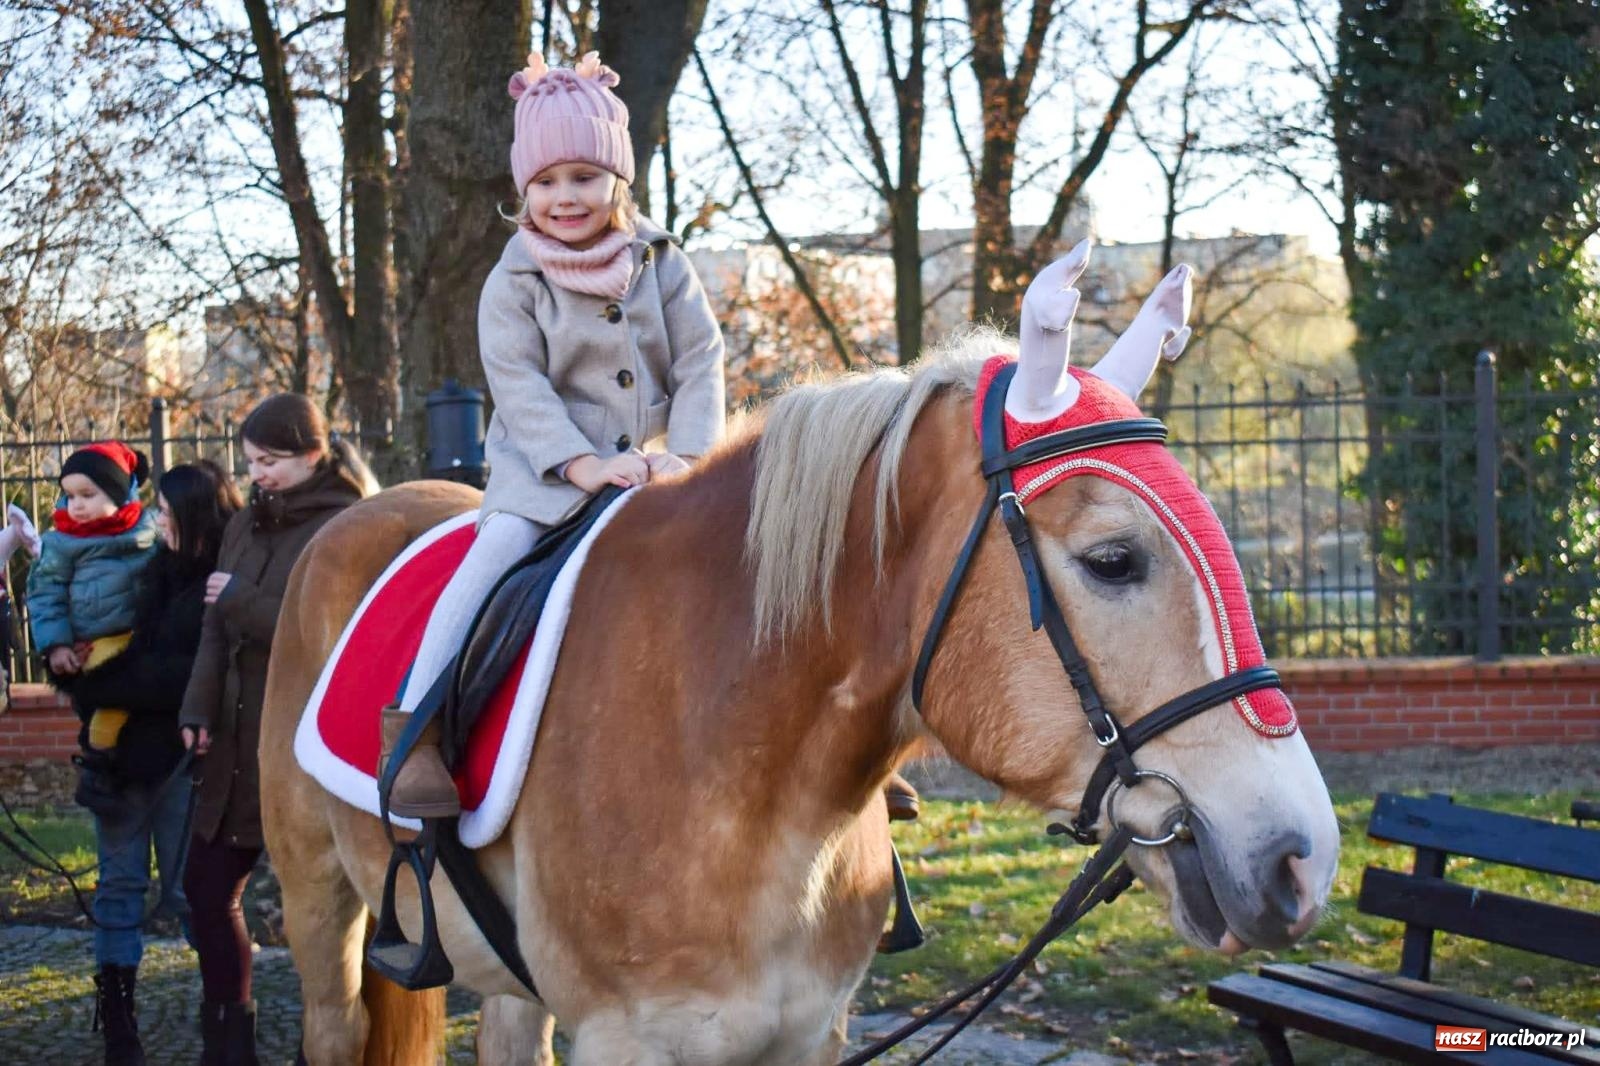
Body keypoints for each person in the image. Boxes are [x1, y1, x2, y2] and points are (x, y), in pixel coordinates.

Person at [380, 50, 726, 817]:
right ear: (523, 191)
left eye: (584, 177)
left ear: (617, 181)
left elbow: (701, 358)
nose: (564, 197)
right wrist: (579, 465)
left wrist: (689, 454)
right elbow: (518, 383)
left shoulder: (663, 261)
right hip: (542, 477)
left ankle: (822, 729)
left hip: (656, 467)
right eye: (544, 182)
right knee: (489, 562)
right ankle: (414, 736)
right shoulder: (513, 281)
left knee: (752, 552)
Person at [179, 395, 374, 1063]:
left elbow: (332, 634)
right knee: (206, 887)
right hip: (234, 737)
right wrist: (196, 710)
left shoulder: (349, 523)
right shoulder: (244, 522)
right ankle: (229, 1046)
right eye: (251, 461)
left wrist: (244, 601)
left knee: (326, 909)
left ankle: (322, 1046)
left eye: (271, 461)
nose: (257, 474)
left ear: (314, 454)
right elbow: (213, 624)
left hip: (305, 738)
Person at [66, 461, 242, 1066]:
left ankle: (224, 1014)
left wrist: (94, 688)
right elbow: (131, 648)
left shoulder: (219, 583)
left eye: (166, 512)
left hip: (179, 764)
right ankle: (119, 1022)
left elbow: (176, 677)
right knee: (118, 890)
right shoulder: (154, 572)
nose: (157, 520)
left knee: (192, 892)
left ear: (194, 515)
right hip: (119, 765)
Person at [27, 443, 159, 789]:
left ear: (118, 493)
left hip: (143, 636)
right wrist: (56, 645)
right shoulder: (62, 543)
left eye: (88, 495)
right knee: (110, 685)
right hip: (94, 640)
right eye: (70, 496)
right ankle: (100, 750)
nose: (77, 505)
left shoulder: (148, 531)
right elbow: (46, 595)